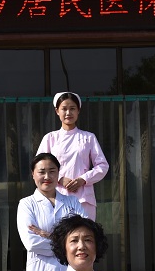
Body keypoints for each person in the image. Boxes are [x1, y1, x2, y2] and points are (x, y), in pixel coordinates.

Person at [37, 92, 109, 220]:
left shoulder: (88, 137)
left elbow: (102, 166)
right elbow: (39, 167)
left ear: (78, 111)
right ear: (57, 111)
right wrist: (59, 178)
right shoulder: (50, 138)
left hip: (83, 198)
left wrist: (83, 179)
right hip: (56, 197)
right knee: (59, 232)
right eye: (64, 109)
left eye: (72, 108)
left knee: (84, 231)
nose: (68, 113)